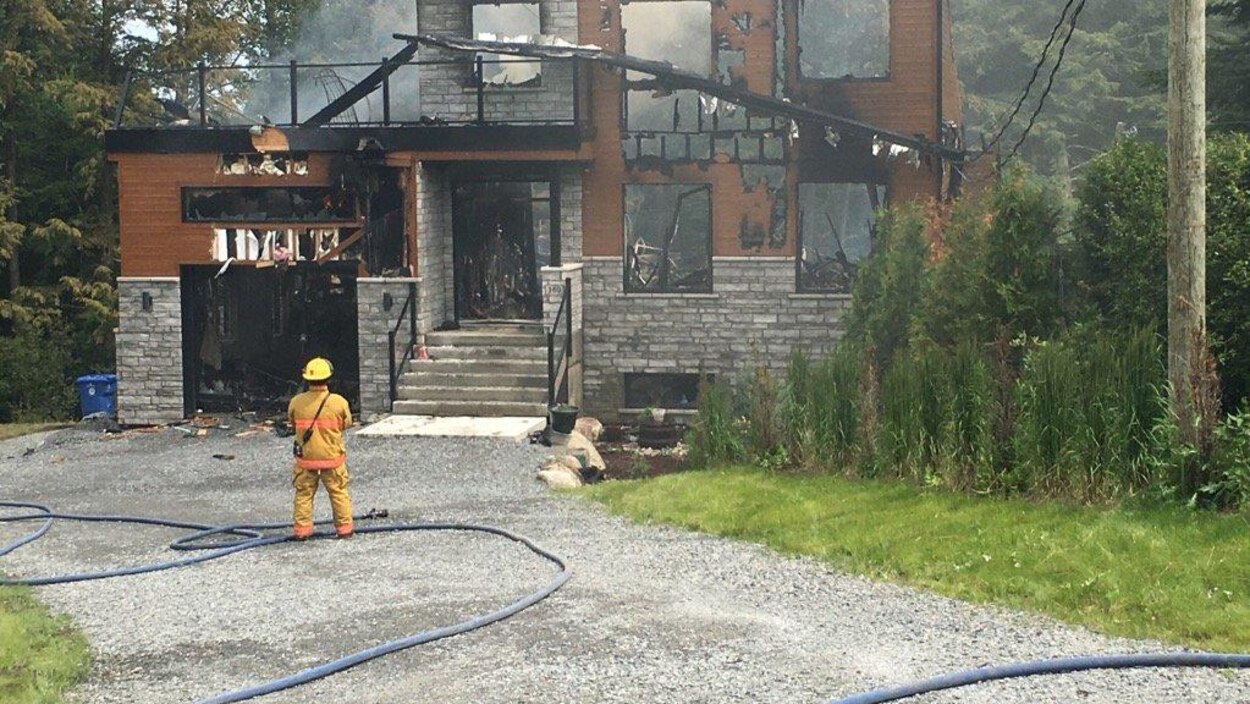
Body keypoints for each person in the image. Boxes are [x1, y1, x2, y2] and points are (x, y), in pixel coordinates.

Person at [288, 357, 354, 539]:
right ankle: (344, 529)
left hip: (306, 458)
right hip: (332, 457)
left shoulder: (296, 401)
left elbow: (292, 422)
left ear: (307, 379)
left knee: (304, 493)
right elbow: (346, 423)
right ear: (329, 378)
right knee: (338, 492)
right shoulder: (338, 402)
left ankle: (302, 531)